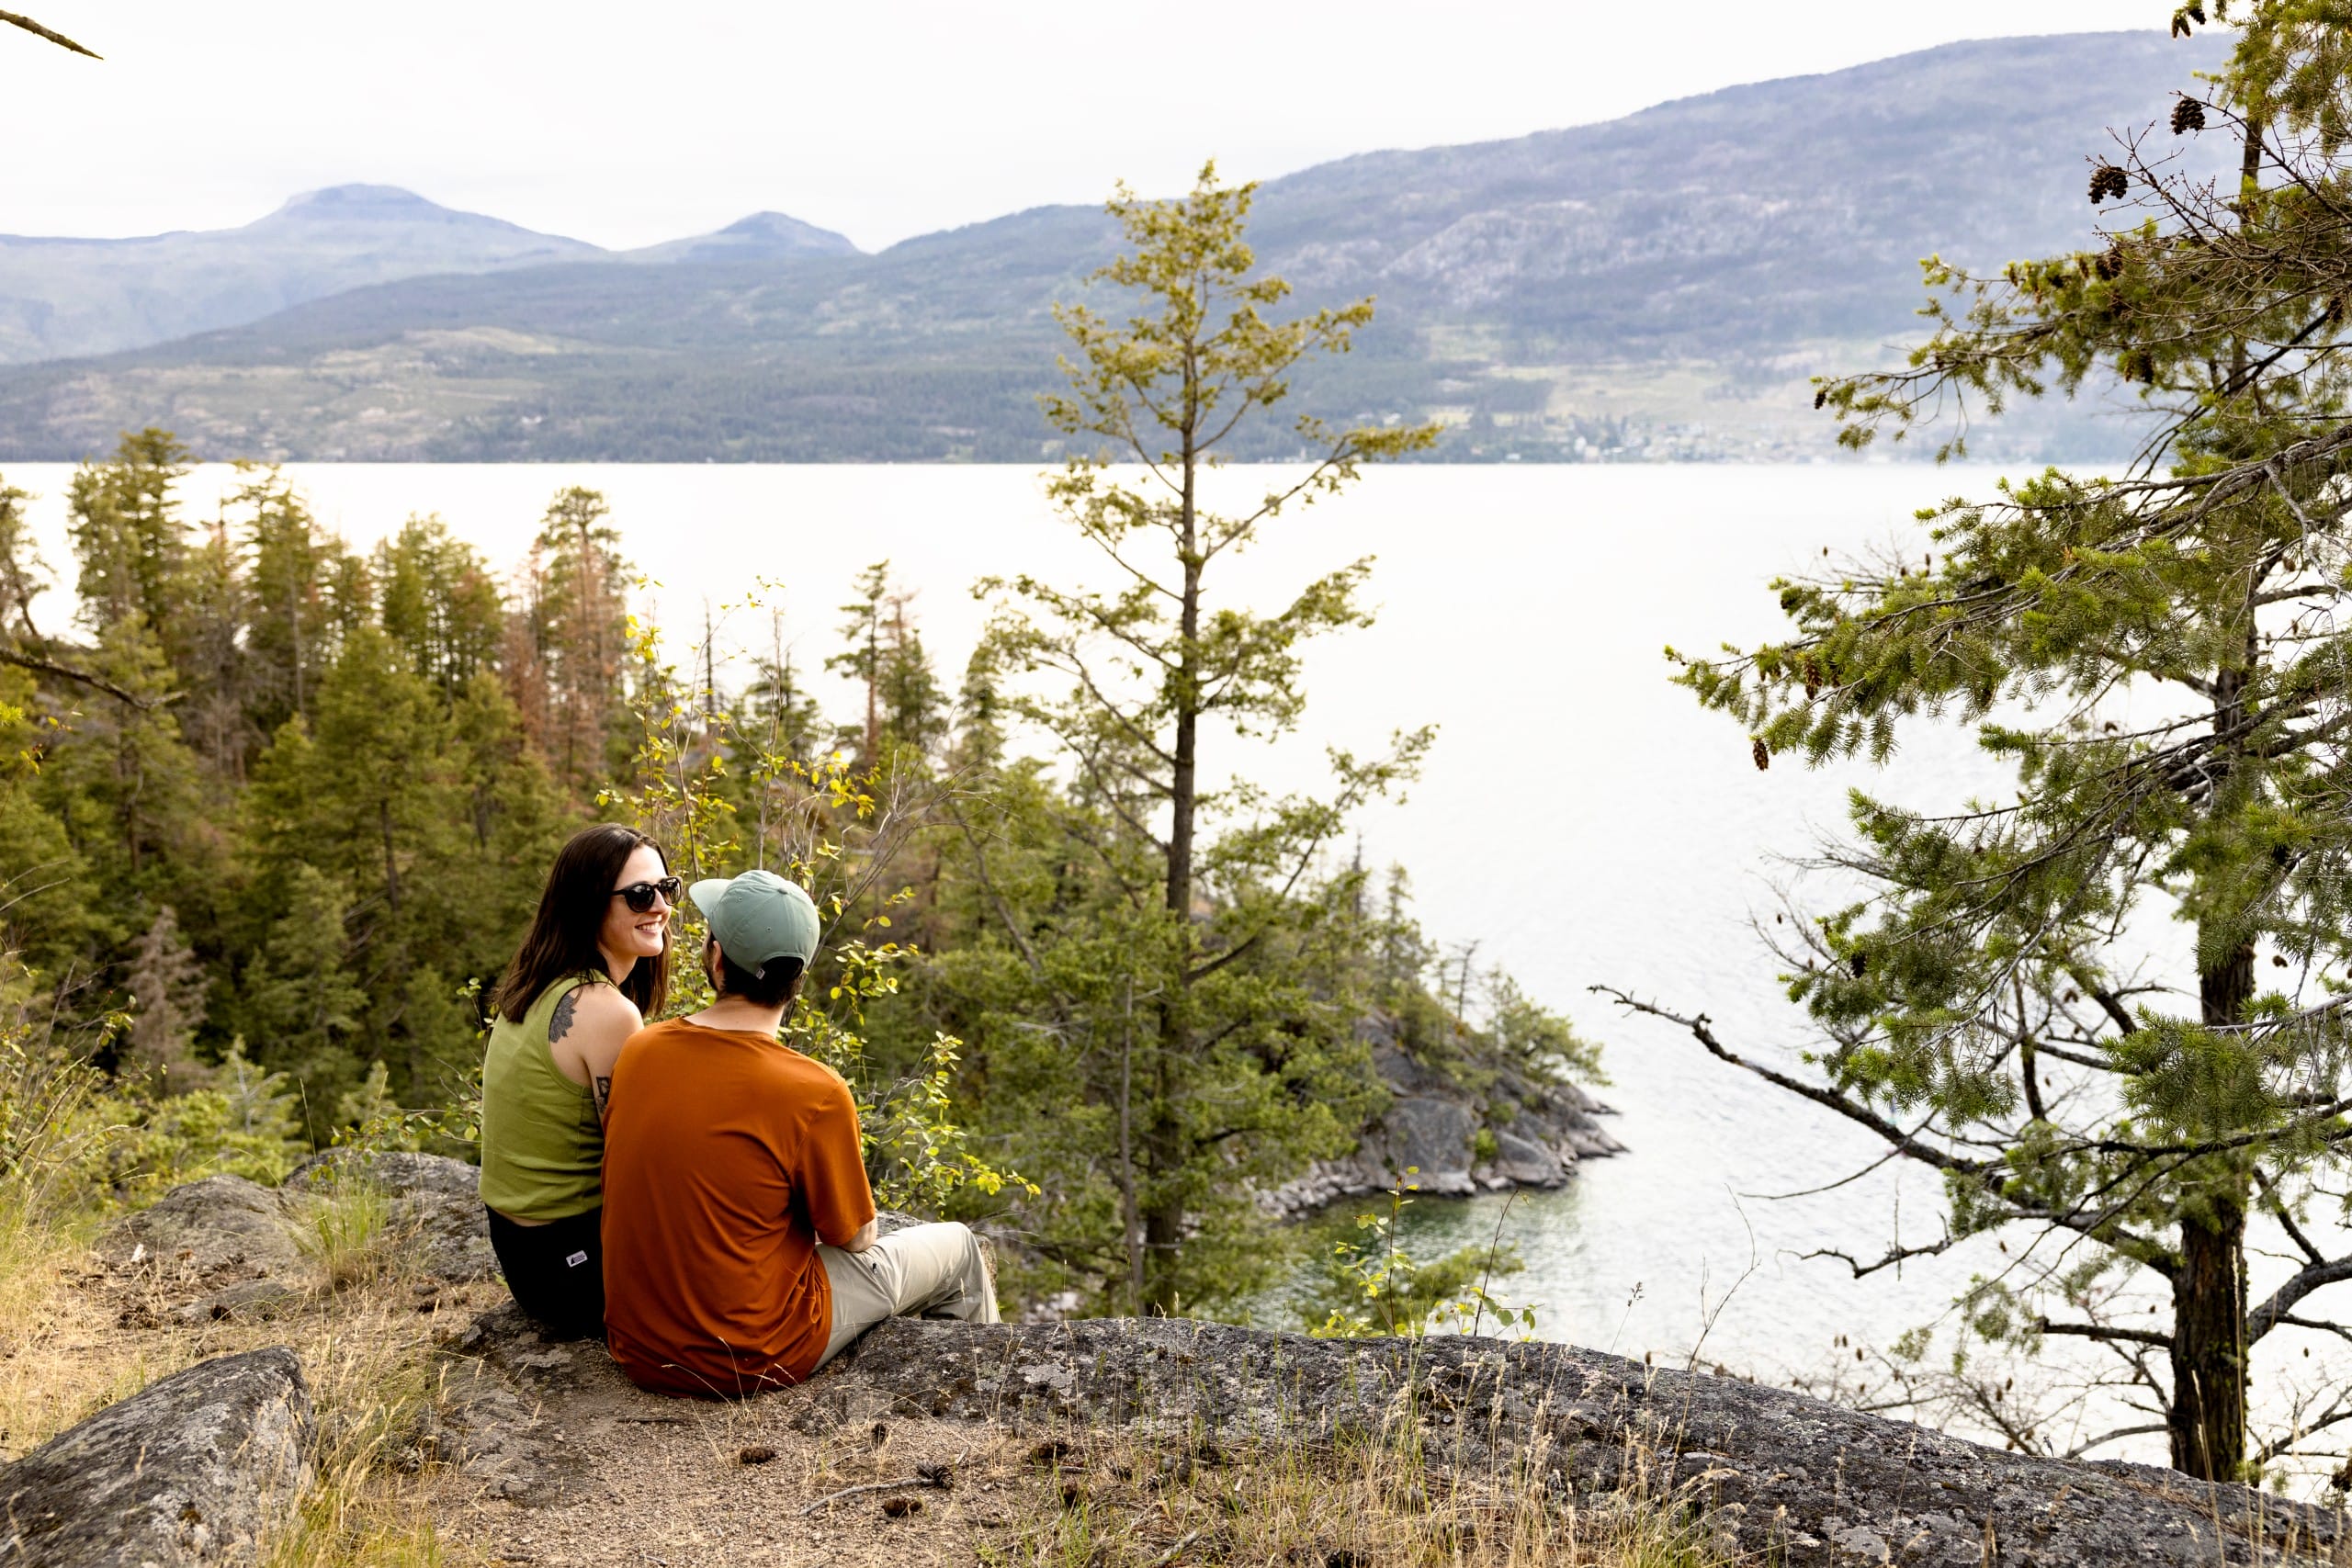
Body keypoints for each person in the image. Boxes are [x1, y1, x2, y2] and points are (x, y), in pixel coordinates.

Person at [601, 868, 999, 1397]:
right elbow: (854, 1237)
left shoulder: (640, 1051)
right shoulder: (815, 1091)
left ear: (716, 960)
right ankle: (983, 1410)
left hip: (641, 1350)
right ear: (799, 978)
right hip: (751, 1356)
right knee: (959, 1246)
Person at [477, 824, 674, 1338]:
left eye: (665, 889)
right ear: (590, 904)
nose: (659, 907)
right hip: (573, 1270)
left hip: (525, 1254)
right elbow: (637, 1168)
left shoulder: (535, 985)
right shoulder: (607, 1012)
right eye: (638, 895)